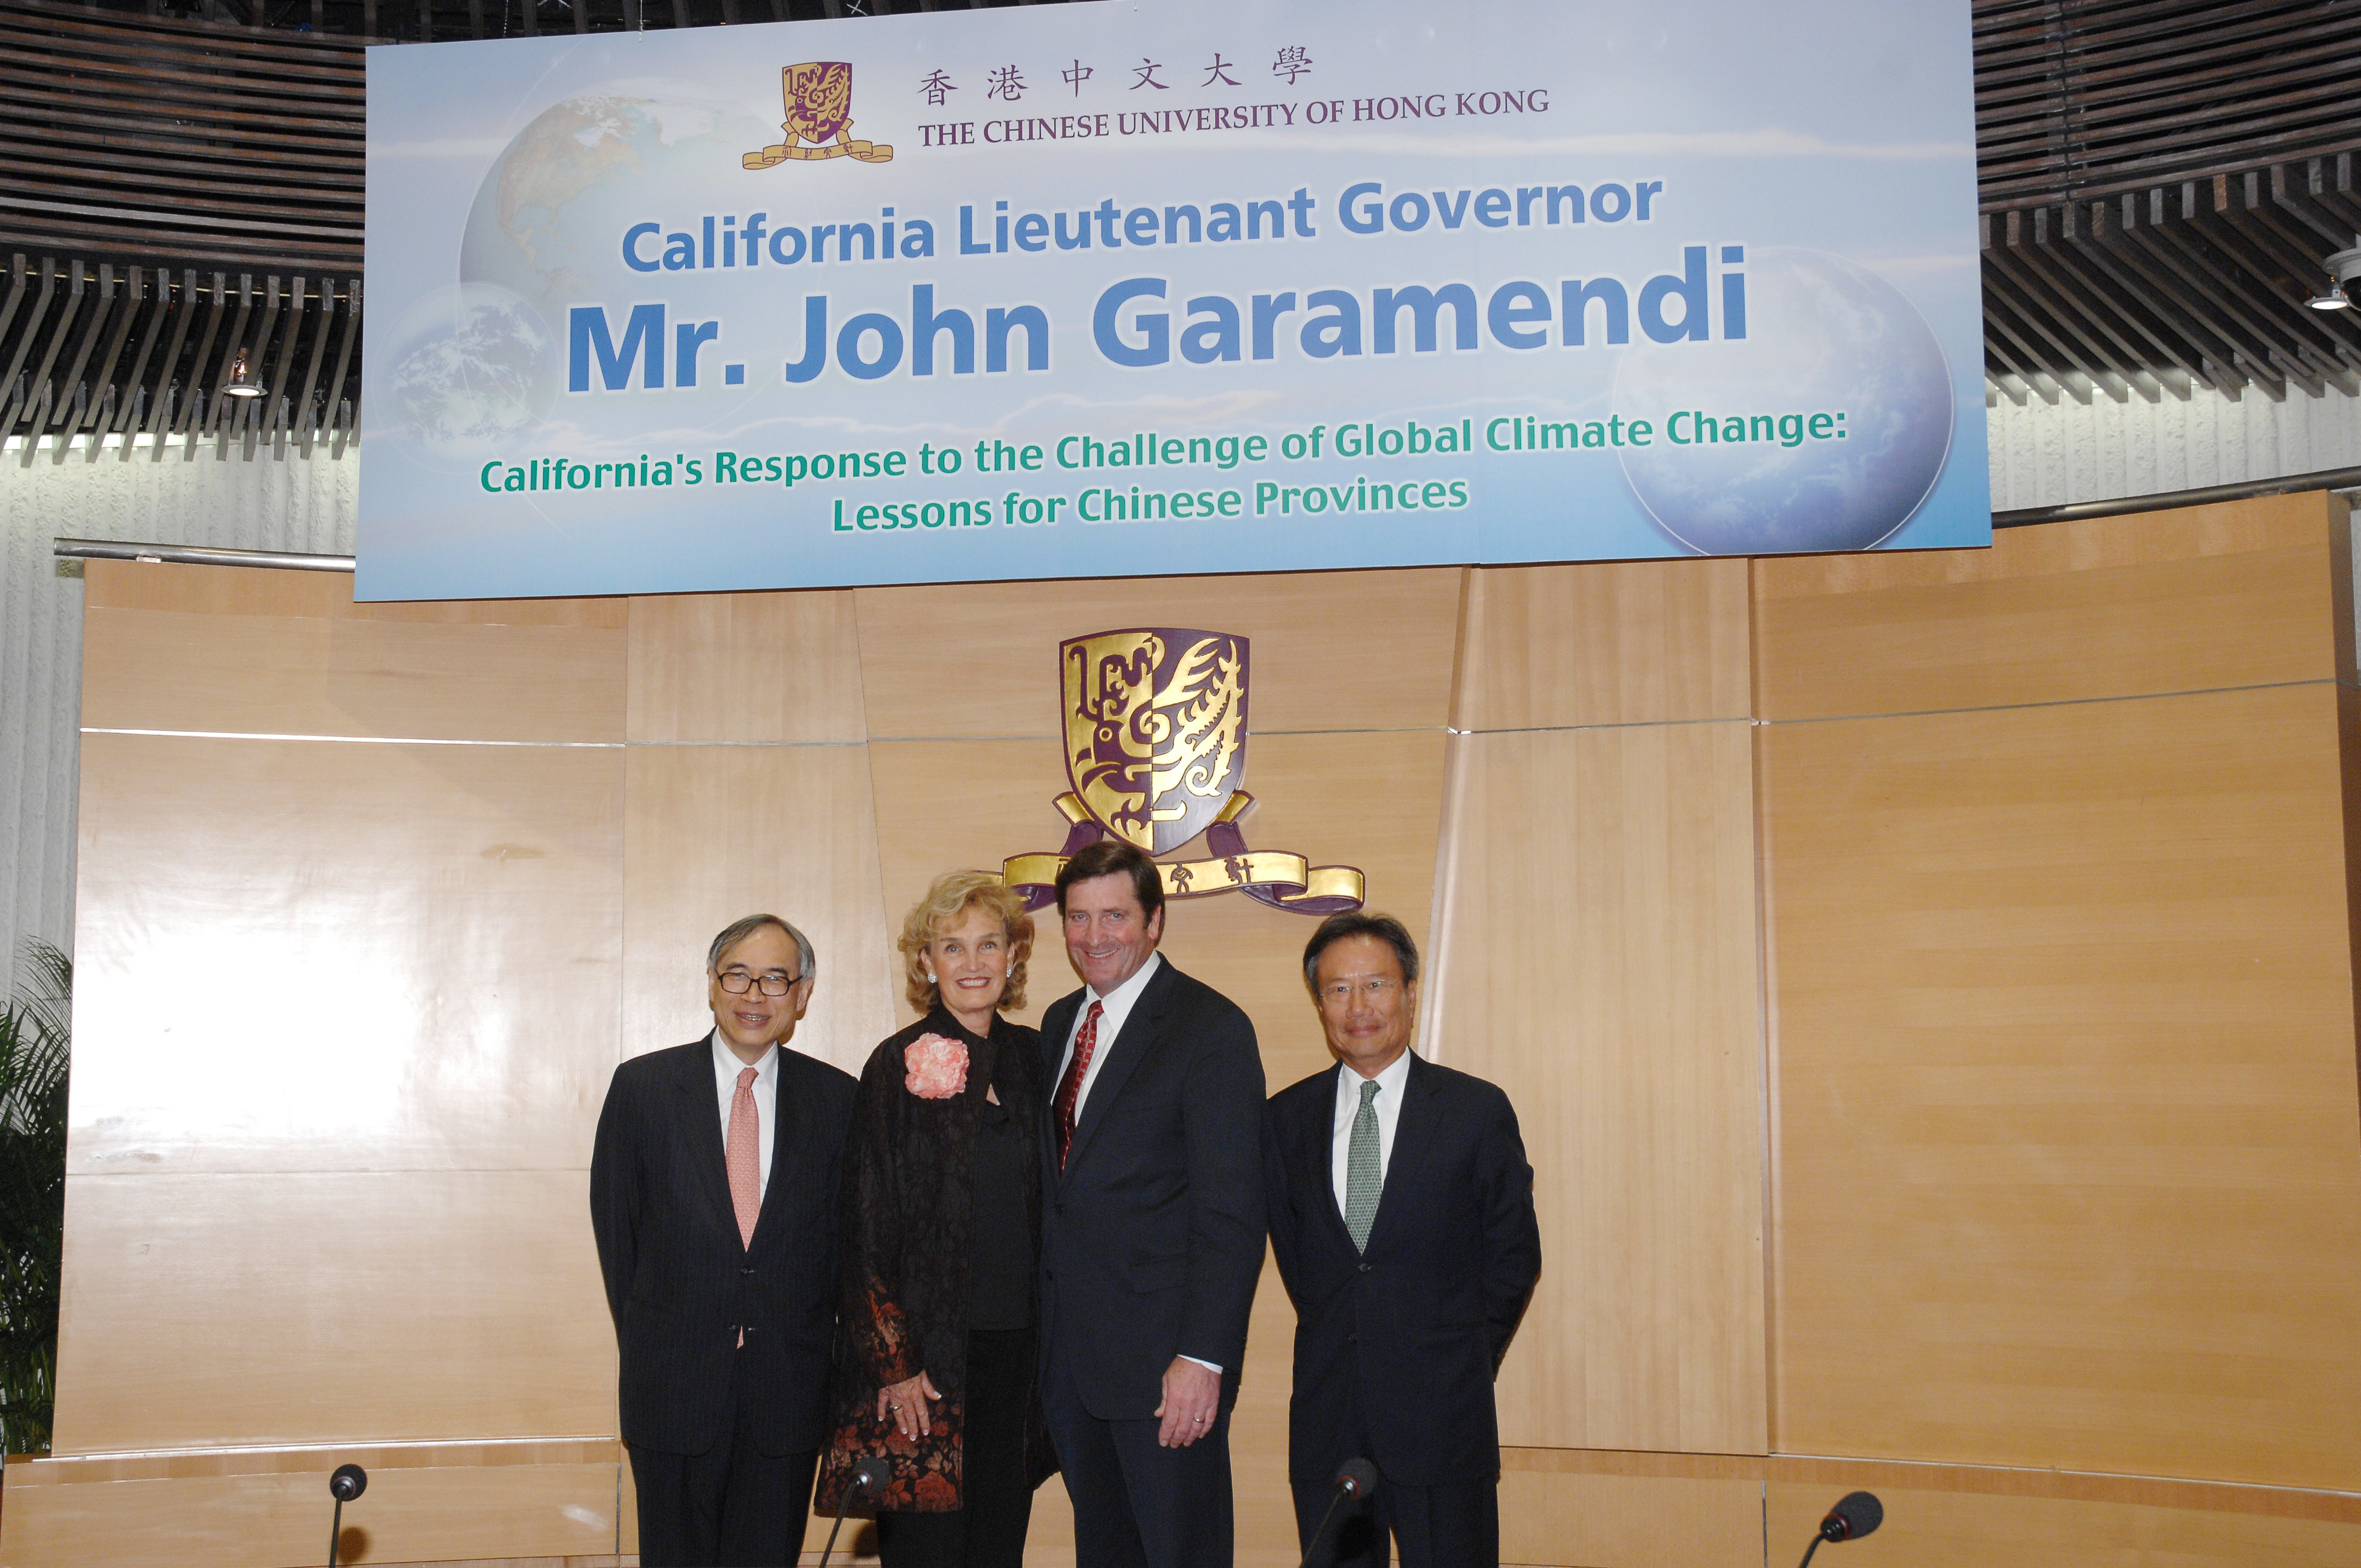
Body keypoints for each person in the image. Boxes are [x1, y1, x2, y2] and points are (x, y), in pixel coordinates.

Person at [1261, 913, 1541, 1568]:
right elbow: (1304, 1264)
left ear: (1410, 992)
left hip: (1443, 1420)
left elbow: (1513, 1259)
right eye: (1338, 989)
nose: (1358, 1007)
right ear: (1319, 1002)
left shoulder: (1474, 1111)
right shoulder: (1284, 1119)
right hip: (1330, 1422)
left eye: (1376, 985)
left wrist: (1458, 1358)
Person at [589, 914, 858, 1568]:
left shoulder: (839, 1100)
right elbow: (618, 1238)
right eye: (737, 974)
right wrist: (662, 1344)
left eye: (774, 978)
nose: (753, 994)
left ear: (802, 994)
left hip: (787, 1392)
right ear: (712, 985)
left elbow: (847, 1251)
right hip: (674, 1387)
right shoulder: (644, 1089)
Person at [815, 871, 1059, 1568]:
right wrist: (894, 1364)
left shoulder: (1037, 1058)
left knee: (996, 1548)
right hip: (924, 1368)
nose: (973, 962)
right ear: (926, 962)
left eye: (989, 944)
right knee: (926, 1552)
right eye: (952, 947)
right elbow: (860, 1232)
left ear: (1013, 954)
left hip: (1020, 1359)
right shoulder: (893, 1066)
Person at [1036, 838, 1266, 1568]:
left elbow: (1232, 1212)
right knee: (1104, 1551)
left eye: (1114, 917)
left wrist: (1202, 1355)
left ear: (1155, 921)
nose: (1094, 937)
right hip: (1072, 1362)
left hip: (1167, 1370)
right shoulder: (1056, 1025)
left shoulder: (1210, 1027)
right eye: (1078, 918)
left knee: (1180, 1552)